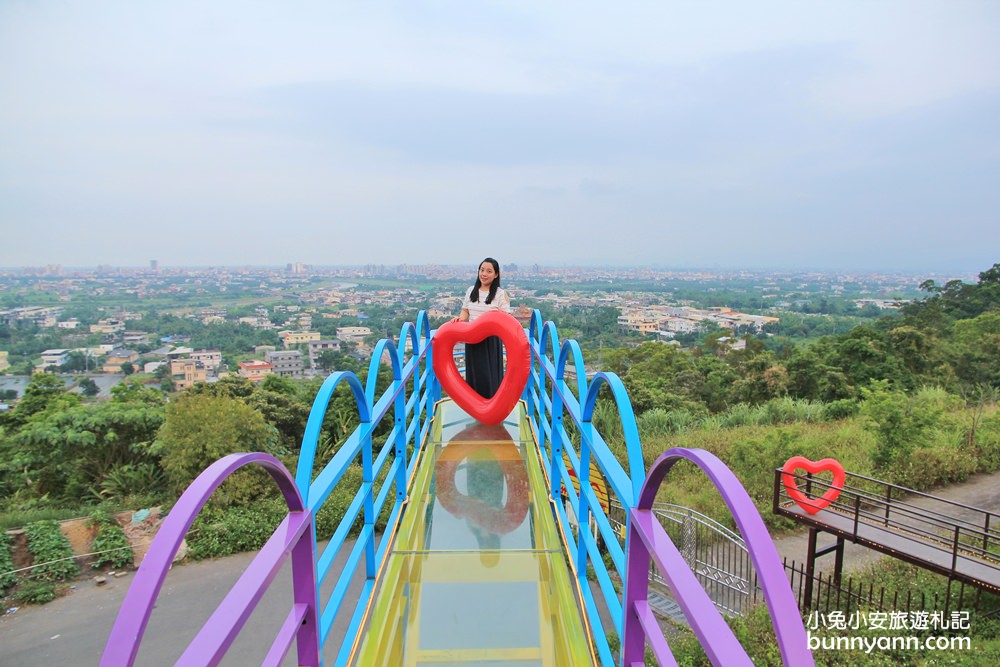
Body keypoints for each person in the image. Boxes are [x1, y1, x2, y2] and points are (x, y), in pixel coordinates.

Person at [451, 257, 511, 398]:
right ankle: (475, 405)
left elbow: (506, 319)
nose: (484, 274)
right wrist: (460, 319)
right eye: (482, 270)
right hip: (472, 338)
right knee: (474, 373)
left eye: (489, 271)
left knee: (488, 374)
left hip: (490, 341)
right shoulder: (471, 290)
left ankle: (491, 406)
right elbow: (466, 310)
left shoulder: (500, 294)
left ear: (496, 274)